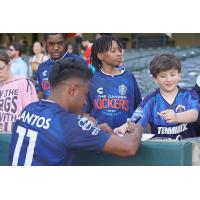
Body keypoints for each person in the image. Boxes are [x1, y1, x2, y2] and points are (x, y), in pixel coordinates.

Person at [9, 57, 143, 166]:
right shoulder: (69, 124)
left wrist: (91, 130)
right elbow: (128, 147)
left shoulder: (29, 109)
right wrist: (137, 128)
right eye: (85, 94)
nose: (85, 102)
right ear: (72, 90)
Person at [115, 53, 199, 139]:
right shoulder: (150, 100)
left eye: (172, 75)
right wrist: (126, 127)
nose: (169, 79)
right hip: (162, 149)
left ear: (179, 75)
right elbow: (136, 120)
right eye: (163, 76)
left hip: (188, 148)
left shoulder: (189, 95)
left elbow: (195, 114)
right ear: (155, 79)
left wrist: (177, 117)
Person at [83, 35, 142, 129]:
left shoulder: (129, 77)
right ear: (100, 55)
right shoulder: (92, 80)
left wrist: (133, 124)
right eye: (113, 51)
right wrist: (89, 119)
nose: (119, 54)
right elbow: (84, 112)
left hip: (125, 136)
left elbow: (139, 108)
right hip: (100, 137)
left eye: (119, 50)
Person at [37, 33, 86, 99]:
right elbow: (41, 93)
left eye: (60, 43)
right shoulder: (42, 67)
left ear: (65, 42)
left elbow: (88, 91)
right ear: (46, 44)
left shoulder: (78, 62)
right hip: (49, 109)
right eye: (51, 44)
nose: (56, 48)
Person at [0, 50, 38, 133]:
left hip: (18, 136)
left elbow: (32, 113)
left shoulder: (23, 83)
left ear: (9, 64)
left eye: (1, 68)